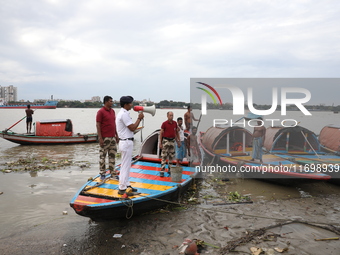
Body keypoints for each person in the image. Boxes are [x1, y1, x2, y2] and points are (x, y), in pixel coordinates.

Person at [116, 96, 144, 195]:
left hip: (126, 141)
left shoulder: (123, 113)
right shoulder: (124, 114)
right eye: (130, 103)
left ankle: (126, 184)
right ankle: (122, 188)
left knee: (126, 165)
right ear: (126, 104)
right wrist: (139, 119)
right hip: (126, 142)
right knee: (125, 166)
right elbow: (132, 128)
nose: (131, 105)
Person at [96, 96, 119, 181]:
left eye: (112, 101)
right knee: (102, 157)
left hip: (112, 137)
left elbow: (114, 124)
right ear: (106, 102)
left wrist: (116, 135)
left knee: (112, 156)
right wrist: (100, 138)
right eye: (110, 101)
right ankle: (102, 173)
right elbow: (98, 125)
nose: (112, 103)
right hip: (105, 137)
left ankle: (112, 173)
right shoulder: (100, 112)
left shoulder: (113, 111)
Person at [159, 111, 180, 177]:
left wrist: (178, 141)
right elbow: (161, 133)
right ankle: (162, 170)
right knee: (164, 155)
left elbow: (176, 132)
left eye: (172, 115)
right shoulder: (164, 124)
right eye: (170, 115)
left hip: (172, 140)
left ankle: (170, 169)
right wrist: (160, 142)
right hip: (166, 140)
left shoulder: (175, 123)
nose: (171, 116)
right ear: (167, 116)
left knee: (171, 155)